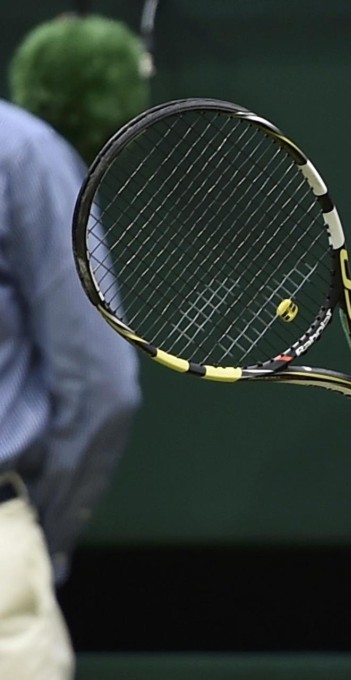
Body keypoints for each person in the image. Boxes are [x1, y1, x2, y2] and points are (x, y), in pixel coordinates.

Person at [0, 99, 141, 678]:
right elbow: (101, 384)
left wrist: (31, 528)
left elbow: (99, 386)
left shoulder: (20, 153)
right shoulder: (22, 149)